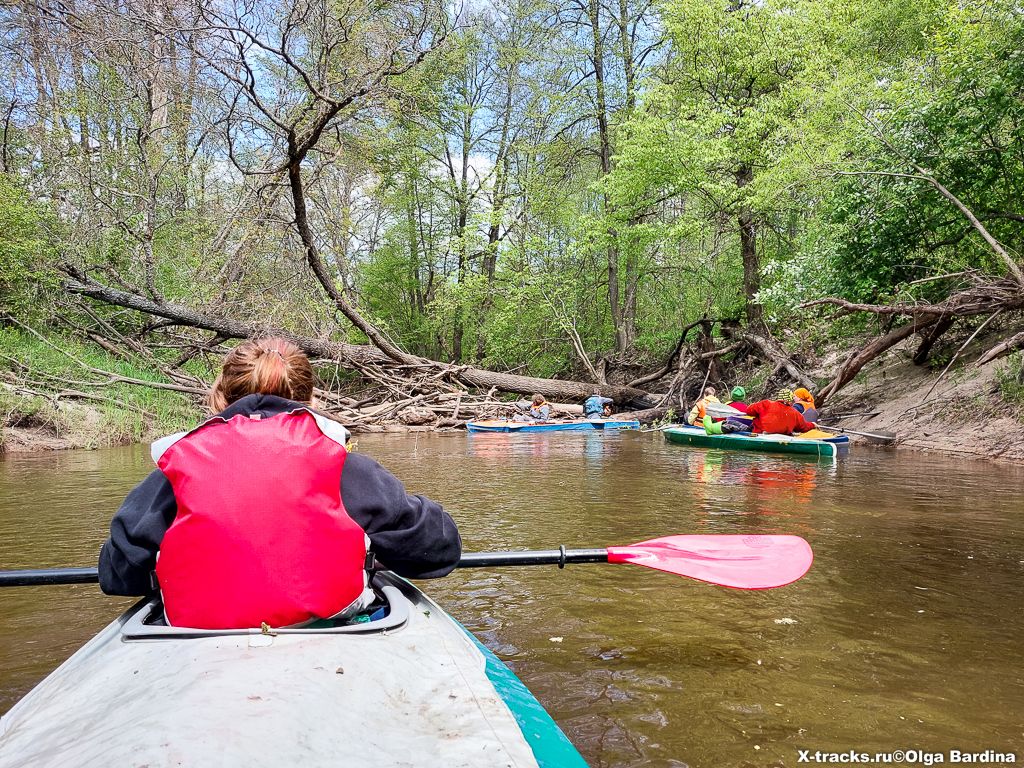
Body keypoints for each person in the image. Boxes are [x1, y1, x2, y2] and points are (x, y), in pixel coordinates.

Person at [98, 337, 462, 630]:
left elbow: (118, 574)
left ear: (220, 399)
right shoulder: (346, 468)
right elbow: (439, 549)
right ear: (311, 401)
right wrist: (370, 550)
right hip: (331, 624)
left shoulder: (174, 471)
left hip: (197, 635)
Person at [725, 388, 817, 436]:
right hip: (782, 436)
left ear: (779, 397)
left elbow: (749, 410)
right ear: (790, 401)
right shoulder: (795, 413)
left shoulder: (766, 404)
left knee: (729, 422)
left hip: (759, 433)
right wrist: (813, 425)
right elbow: (803, 427)